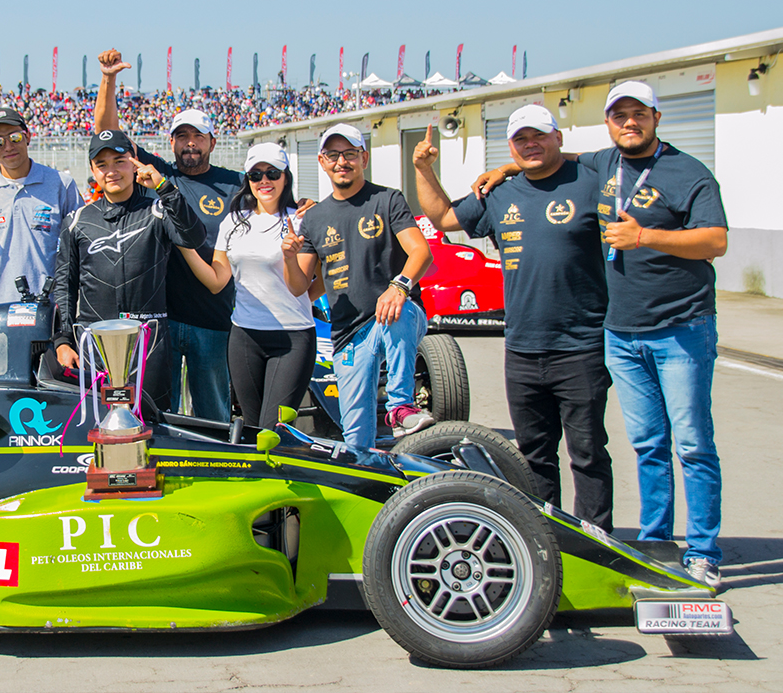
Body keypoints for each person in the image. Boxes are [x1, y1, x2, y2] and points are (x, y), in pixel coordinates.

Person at [477, 81, 728, 589]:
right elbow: (553, 157)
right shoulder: (604, 163)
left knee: (692, 444)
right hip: (621, 332)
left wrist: (645, 236)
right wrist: (505, 169)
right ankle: (656, 544)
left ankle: (703, 551)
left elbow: (716, 241)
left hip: (681, 327)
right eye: (619, 115)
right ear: (609, 123)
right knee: (648, 444)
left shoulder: (690, 173)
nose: (629, 123)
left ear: (656, 117)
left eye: (639, 114)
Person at [414, 107, 612, 530]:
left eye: (539, 135)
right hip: (522, 348)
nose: (530, 144)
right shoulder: (499, 194)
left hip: (581, 346)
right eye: (521, 139)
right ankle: (546, 536)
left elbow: (619, 161)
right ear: (510, 145)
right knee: (534, 455)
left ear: (558, 137)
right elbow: (443, 217)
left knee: (588, 452)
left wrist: (509, 166)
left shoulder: (590, 181)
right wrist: (424, 170)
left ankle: (598, 540)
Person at [95, 49, 241, 422]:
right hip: (161, 320)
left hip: (214, 318)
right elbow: (107, 135)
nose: (190, 143)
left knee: (214, 416)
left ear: (212, 141)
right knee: (160, 413)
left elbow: (272, 205)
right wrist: (109, 80)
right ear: (171, 143)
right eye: (182, 136)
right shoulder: (160, 173)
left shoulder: (235, 184)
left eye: (198, 136)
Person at [283, 123, 434, 448]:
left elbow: (421, 252)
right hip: (348, 336)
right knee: (356, 440)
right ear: (322, 161)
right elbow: (300, 288)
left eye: (350, 153)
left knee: (398, 310)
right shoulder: (314, 218)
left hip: (394, 315)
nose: (342, 161)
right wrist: (289, 258)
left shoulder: (388, 199)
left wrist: (399, 286)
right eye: (333, 155)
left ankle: (400, 406)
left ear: (364, 158)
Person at [53, 129, 205, 418]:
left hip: (149, 344)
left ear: (135, 163)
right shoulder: (77, 221)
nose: (111, 171)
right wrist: (62, 341)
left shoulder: (158, 210)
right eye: (102, 164)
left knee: (152, 426)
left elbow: (194, 237)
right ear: (93, 171)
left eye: (119, 161)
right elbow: (64, 285)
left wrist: (164, 187)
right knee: (97, 425)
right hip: (93, 345)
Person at [179, 143, 318, 429]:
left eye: (272, 173)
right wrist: (183, 245)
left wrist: (293, 265)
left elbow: (304, 285)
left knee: (273, 430)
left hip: (293, 337)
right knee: (252, 429)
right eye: (256, 175)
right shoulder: (233, 221)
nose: (264, 180)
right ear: (247, 180)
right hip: (244, 337)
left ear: (286, 177)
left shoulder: (302, 220)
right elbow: (217, 281)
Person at [0, 107, 82, 306]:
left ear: (28, 136)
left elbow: (81, 250)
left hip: (48, 308)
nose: (8, 147)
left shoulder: (62, 185)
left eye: (14, 137)